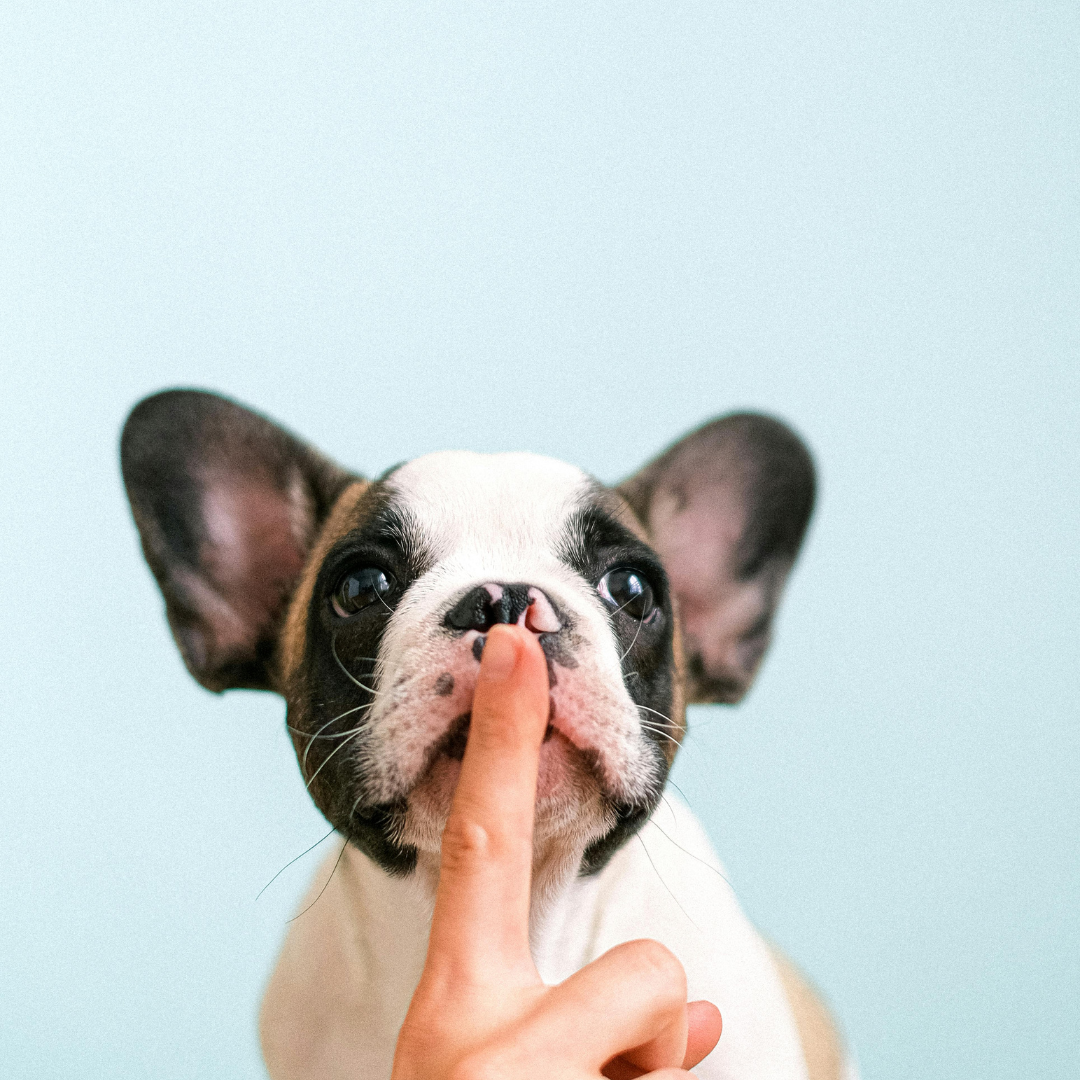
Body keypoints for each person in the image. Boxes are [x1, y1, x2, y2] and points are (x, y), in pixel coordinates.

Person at [391, 624, 723, 1080]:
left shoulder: (727, 971)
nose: (515, 632)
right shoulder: (301, 1023)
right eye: (367, 588)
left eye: (626, 594)